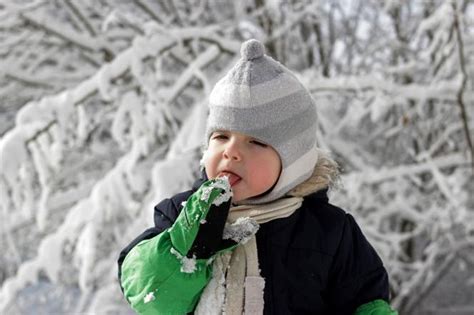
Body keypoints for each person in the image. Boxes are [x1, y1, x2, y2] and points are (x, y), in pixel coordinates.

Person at [118, 39, 397, 315]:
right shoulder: (180, 216)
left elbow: (366, 302)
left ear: (293, 163)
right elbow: (149, 298)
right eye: (221, 137)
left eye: (257, 142)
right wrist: (182, 251)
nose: (231, 152)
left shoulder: (329, 232)